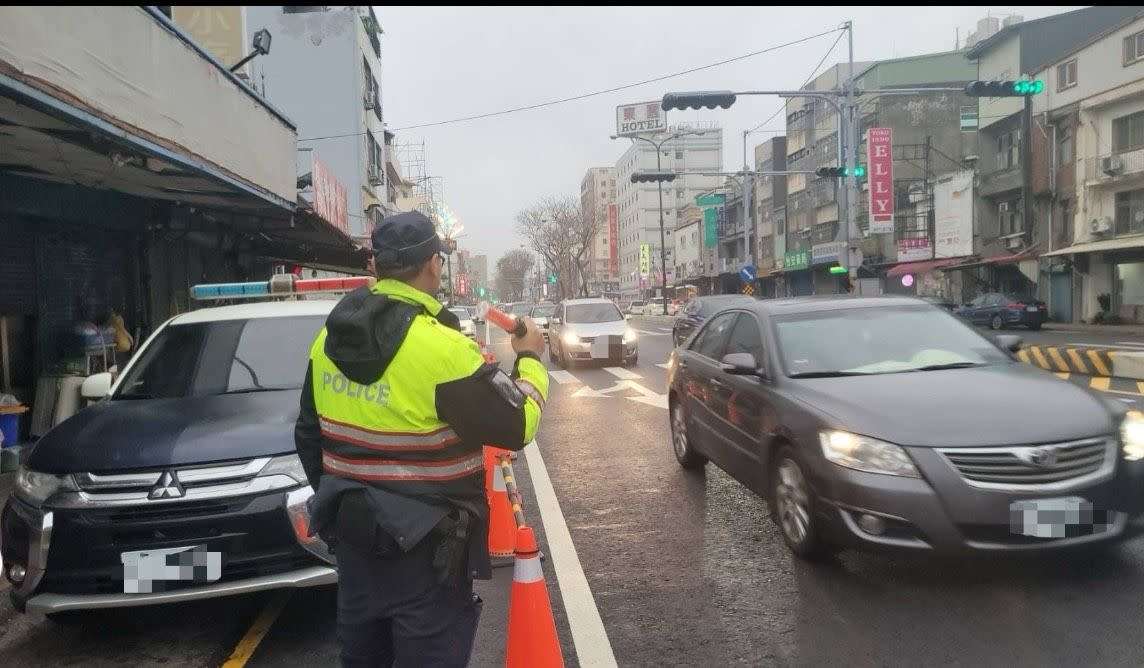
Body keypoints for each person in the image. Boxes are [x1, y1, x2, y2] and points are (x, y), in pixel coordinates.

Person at [295, 211, 549, 667]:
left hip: (354, 544)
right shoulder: (442, 350)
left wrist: (342, 498)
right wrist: (529, 359)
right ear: (434, 264)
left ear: (376, 267)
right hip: (429, 554)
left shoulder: (326, 342)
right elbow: (518, 424)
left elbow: (308, 436)